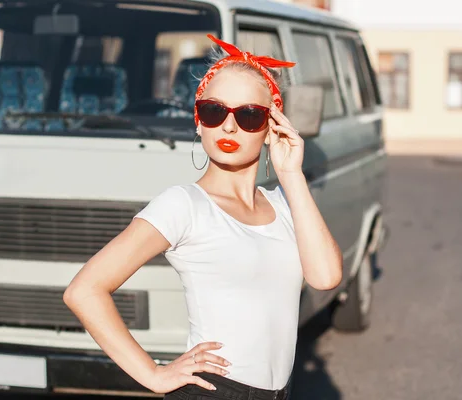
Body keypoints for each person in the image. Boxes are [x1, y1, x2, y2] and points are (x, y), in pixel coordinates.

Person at [63, 34, 343, 400]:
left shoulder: (285, 204)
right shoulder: (183, 204)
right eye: (215, 111)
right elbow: (84, 290)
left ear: (271, 127)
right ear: (199, 122)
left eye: (249, 115)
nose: (229, 126)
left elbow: (326, 277)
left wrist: (291, 174)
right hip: (212, 392)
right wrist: (154, 374)